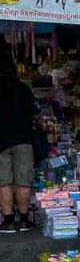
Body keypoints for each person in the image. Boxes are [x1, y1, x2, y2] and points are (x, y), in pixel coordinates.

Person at [0, 58, 37, 233]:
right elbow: (33, 111)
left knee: (4, 181)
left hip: (1, 141)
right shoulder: (22, 88)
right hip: (23, 139)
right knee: (24, 181)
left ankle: (8, 221)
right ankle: (23, 219)